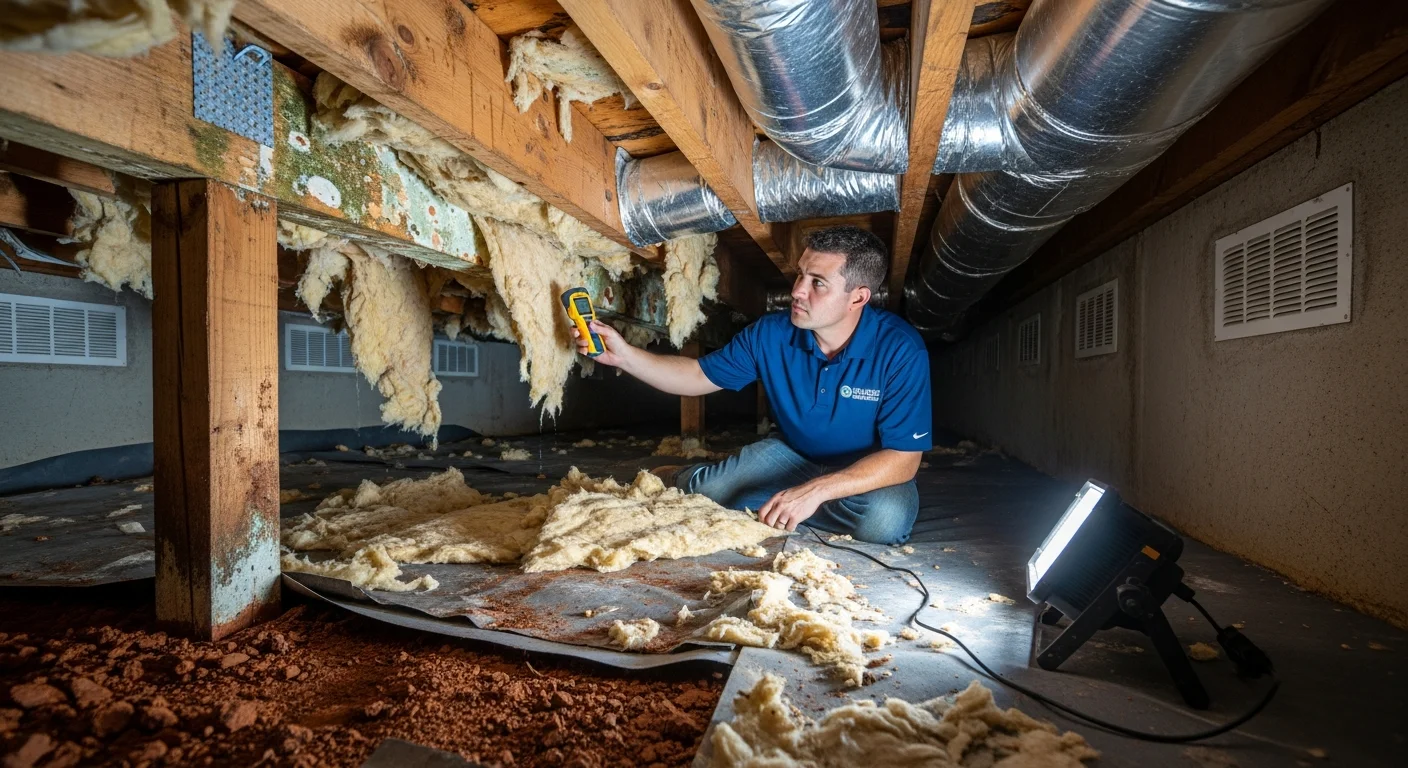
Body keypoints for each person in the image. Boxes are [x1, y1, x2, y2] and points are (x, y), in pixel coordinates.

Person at [575, 226, 932, 545]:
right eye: (800, 276)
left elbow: (903, 459)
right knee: (707, 493)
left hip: (862, 471)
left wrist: (816, 492)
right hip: (792, 456)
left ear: (858, 298)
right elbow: (697, 376)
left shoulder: (900, 349)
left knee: (885, 523)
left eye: (817, 283)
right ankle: (689, 477)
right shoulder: (771, 333)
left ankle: (785, 500)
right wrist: (625, 356)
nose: (797, 291)